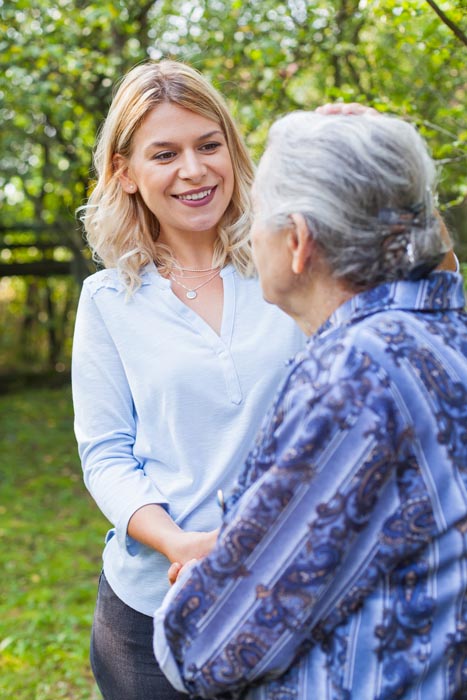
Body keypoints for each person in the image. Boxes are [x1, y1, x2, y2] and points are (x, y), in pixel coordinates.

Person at [154, 111, 467, 699]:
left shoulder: (358, 373)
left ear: (297, 241)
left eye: (257, 218)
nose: (246, 235)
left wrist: (202, 575)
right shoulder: (444, 334)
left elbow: (207, 645)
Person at [71, 60, 305, 700]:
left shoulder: (292, 267)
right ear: (126, 172)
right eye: (165, 153)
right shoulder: (108, 301)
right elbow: (106, 454)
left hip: (292, 592)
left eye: (209, 145)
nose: (195, 170)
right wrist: (181, 545)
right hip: (151, 614)